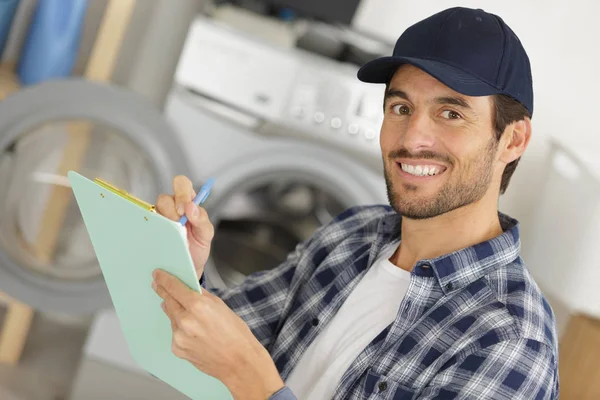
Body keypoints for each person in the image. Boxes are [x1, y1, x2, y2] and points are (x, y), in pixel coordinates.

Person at [151, 7, 559, 400]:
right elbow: (218, 342)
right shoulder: (354, 234)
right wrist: (185, 265)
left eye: (450, 113)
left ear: (513, 139)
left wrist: (249, 378)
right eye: (401, 108)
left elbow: (239, 363)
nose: (413, 138)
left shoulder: (509, 340)